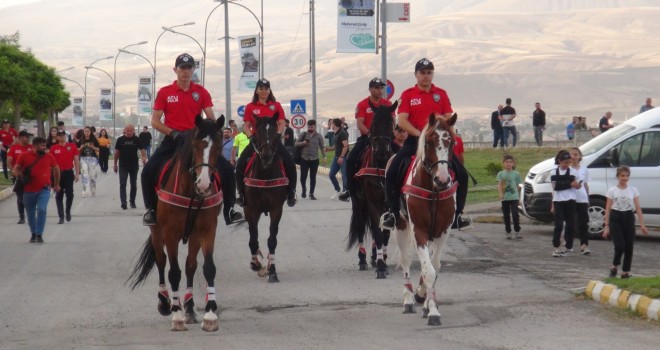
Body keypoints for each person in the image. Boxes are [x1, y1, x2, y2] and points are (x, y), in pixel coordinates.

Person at [140, 53, 240, 226]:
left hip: (197, 141)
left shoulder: (201, 92)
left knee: (228, 171)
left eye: (189, 68)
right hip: (173, 140)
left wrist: (212, 129)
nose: (185, 72)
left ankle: (230, 210)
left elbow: (210, 117)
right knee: (148, 171)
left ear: (194, 70)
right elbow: (155, 121)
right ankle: (151, 210)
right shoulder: (165, 92)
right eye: (182, 68)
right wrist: (173, 133)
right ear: (175, 70)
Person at [380, 58, 454, 230]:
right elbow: (402, 120)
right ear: (416, 74)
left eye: (429, 73)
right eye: (422, 73)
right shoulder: (408, 95)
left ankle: (459, 214)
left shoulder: (441, 94)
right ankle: (393, 212)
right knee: (392, 171)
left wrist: (441, 133)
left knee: (462, 173)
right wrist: (421, 135)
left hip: (437, 145)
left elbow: (449, 118)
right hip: (415, 141)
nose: (426, 76)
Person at [234, 78, 297, 207]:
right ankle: (241, 193)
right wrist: (251, 136)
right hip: (257, 141)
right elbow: (246, 125)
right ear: (256, 91)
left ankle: (291, 192)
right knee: (240, 163)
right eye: (261, 88)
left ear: (269, 90)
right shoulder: (250, 107)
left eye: (266, 89)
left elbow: (280, 123)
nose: (263, 91)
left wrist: (278, 134)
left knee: (290, 162)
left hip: (274, 140)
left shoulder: (276, 105)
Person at [340, 77, 395, 203]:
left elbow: (392, 121)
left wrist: (391, 133)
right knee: (351, 159)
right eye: (376, 88)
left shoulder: (388, 104)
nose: (380, 90)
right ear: (370, 89)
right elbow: (360, 124)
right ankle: (349, 189)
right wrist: (370, 134)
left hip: (385, 138)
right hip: (367, 137)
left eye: (381, 88)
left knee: (400, 157)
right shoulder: (362, 104)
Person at [11, 136, 60, 243]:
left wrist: (56, 184)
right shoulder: (24, 156)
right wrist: (20, 174)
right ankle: (33, 233)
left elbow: (56, 169)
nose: (44, 148)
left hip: (44, 188)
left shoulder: (49, 156)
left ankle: (39, 234)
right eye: (42, 146)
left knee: (42, 210)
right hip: (28, 190)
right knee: (30, 213)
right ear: (35, 146)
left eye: (45, 145)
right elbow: (15, 170)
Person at [602, 165, 648, 278]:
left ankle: (626, 271)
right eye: (622, 175)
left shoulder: (633, 190)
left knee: (629, 246)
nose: (625, 178)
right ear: (618, 176)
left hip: (628, 217)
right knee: (620, 245)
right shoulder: (612, 190)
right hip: (616, 217)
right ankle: (614, 265)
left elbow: (637, 208)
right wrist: (606, 226)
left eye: (627, 176)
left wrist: (642, 224)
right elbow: (608, 209)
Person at [550, 150, 580, 257]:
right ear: (560, 161)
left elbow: (576, 184)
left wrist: (575, 185)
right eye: (565, 163)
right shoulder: (554, 172)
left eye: (569, 163)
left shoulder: (573, 171)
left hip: (570, 200)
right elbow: (555, 187)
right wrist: (569, 184)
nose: (567, 165)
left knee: (570, 224)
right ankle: (556, 246)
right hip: (558, 201)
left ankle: (568, 246)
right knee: (558, 225)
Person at [50, 130, 80, 224]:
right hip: (57, 174)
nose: (62, 137)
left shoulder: (72, 146)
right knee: (59, 195)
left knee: (70, 194)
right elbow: (51, 163)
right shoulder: (54, 148)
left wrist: (77, 173)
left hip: (68, 173)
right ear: (57, 137)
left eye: (64, 135)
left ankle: (67, 211)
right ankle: (61, 216)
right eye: (60, 135)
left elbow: (76, 160)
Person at [114, 124, 146, 210]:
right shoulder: (120, 140)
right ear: (124, 130)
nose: (128, 132)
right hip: (123, 165)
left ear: (133, 131)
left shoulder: (137, 139)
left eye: (130, 130)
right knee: (123, 183)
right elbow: (116, 153)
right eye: (127, 130)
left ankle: (132, 201)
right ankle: (123, 203)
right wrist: (115, 164)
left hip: (134, 165)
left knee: (133, 184)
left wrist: (144, 157)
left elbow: (142, 149)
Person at [7, 130, 33, 224]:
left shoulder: (31, 148)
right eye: (26, 137)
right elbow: (9, 161)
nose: (28, 139)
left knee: (31, 195)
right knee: (20, 196)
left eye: (28, 137)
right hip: (18, 175)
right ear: (21, 137)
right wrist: (13, 172)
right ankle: (21, 216)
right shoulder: (14, 148)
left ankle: (31, 213)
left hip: (30, 175)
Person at [296, 119, 325, 200]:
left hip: (314, 159)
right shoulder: (303, 134)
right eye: (309, 126)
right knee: (303, 177)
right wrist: (303, 143)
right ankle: (304, 189)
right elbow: (296, 144)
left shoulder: (319, 136)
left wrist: (324, 157)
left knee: (313, 177)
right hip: (304, 158)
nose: (310, 128)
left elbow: (322, 147)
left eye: (311, 127)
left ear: (315, 127)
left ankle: (311, 193)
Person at [450, 127, 472, 230]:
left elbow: (461, 157)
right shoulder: (456, 139)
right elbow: (461, 158)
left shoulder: (457, 139)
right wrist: (461, 169)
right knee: (463, 179)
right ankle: (458, 214)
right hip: (451, 162)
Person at [570, 147, 591, 255]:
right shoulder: (567, 170)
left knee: (583, 222)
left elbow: (586, 185)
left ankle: (584, 245)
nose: (574, 157)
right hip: (571, 198)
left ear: (579, 156)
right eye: (572, 155)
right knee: (571, 222)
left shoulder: (584, 169)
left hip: (582, 199)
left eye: (576, 154)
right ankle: (568, 243)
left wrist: (587, 198)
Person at [497, 155, 522, 239]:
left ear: (513, 163)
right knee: (506, 215)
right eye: (506, 162)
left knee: (515, 214)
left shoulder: (516, 174)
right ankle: (508, 231)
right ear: (503, 163)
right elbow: (500, 185)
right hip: (505, 198)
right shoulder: (501, 174)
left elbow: (519, 185)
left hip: (514, 197)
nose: (508, 164)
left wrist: (518, 196)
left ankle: (517, 230)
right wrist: (500, 193)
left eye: (510, 162)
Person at [325, 118, 350, 200]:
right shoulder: (336, 133)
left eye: (331, 123)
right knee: (331, 174)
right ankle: (337, 190)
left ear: (335, 124)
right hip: (337, 157)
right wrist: (329, 149)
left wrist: (342, 157)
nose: (330, 125)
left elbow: (346, 146)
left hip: (343, 157)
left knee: (344, 175)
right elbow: (337, 146)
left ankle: (345, 192)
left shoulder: (342, 133)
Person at [77, 126, 100, 197]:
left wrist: (92, 147)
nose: (86, 133)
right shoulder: (81, 140)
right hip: (83, 158)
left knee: (92, 175)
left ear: (91, 132)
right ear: (83, 132)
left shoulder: (94, 140)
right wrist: (81, 147)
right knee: (84, 174)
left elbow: (99, 149)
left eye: (88, 131)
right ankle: (85, 191)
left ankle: (93, 190)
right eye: (85, 131)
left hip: (92, 158)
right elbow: (77, 150)